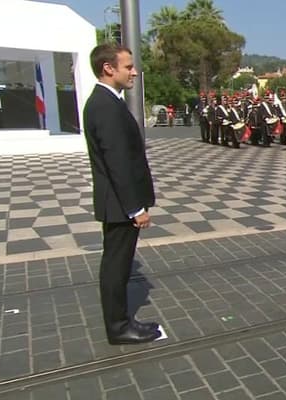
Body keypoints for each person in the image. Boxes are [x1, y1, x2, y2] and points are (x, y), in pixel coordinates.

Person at [83, 44, 160, 345]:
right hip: (119, 204)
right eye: (128, 66)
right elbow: (117, 162)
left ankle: (121, 321)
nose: (134, 72)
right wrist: (135, 209)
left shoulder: (107, 102)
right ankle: (118, 327)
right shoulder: (104, 105)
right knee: (116, 267)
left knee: (119, 265)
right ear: (108, 68)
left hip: (117, 202)